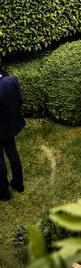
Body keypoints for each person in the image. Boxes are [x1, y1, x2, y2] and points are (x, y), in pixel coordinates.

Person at [0, 66, 25, 201]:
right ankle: (19, 184)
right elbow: (20, 101)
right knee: (13, 153)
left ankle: (4, 193)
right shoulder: (12, 80)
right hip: (10, 126)